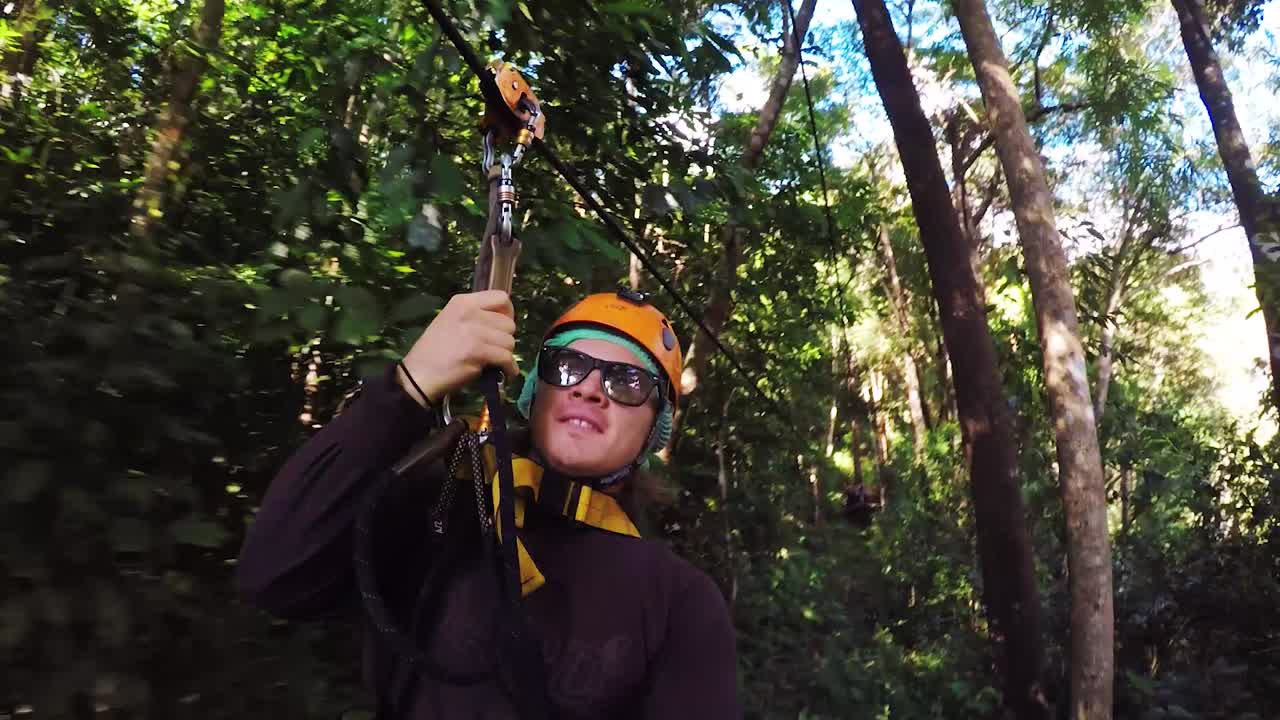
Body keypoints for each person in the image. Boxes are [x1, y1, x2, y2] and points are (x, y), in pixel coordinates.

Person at [236, 288, 742, 719]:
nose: (589, 389)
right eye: (568, 366)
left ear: (654, 430)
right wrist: (406, 390)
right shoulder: (440, 512)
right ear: (533, 394)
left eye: (626, 383)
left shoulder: (679, 602)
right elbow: (274, 576)